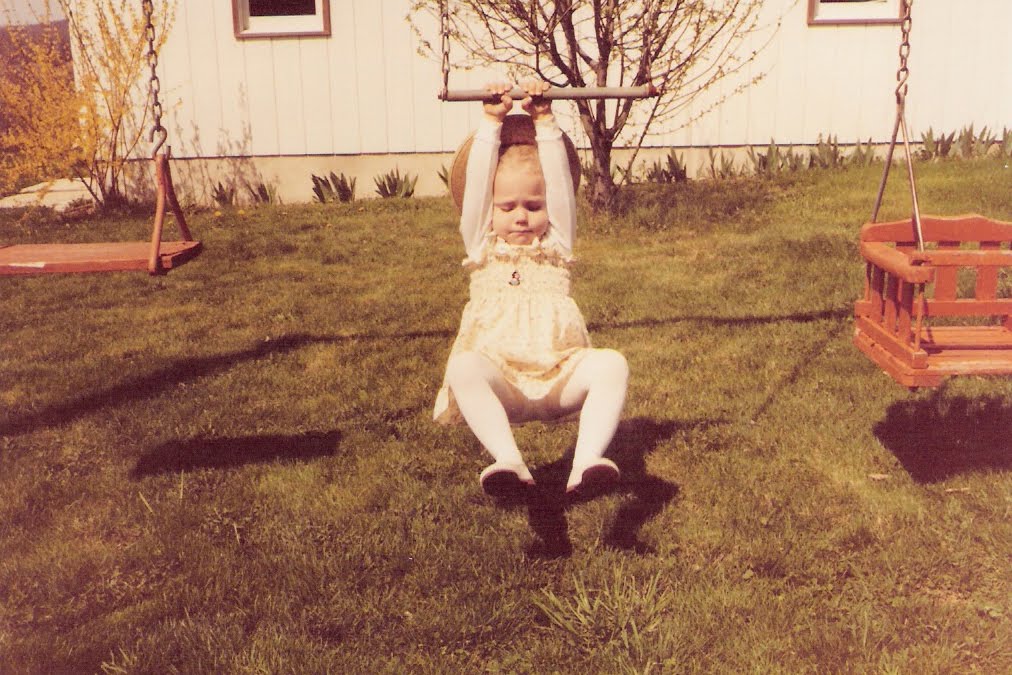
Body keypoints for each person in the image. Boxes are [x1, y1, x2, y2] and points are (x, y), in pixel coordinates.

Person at [433, 80, 629, 500]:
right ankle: (510, 463)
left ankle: (586, 464)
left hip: (559, 377)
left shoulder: (557, 248)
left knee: (612, 364)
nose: (521, 217)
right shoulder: (482, 247)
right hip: (505, 383)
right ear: (491, 210)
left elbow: (560, 188)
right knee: (463, 368)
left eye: (533, 207)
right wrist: (492, 121)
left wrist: (544, 121)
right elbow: (476, 192)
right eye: (507, 207)